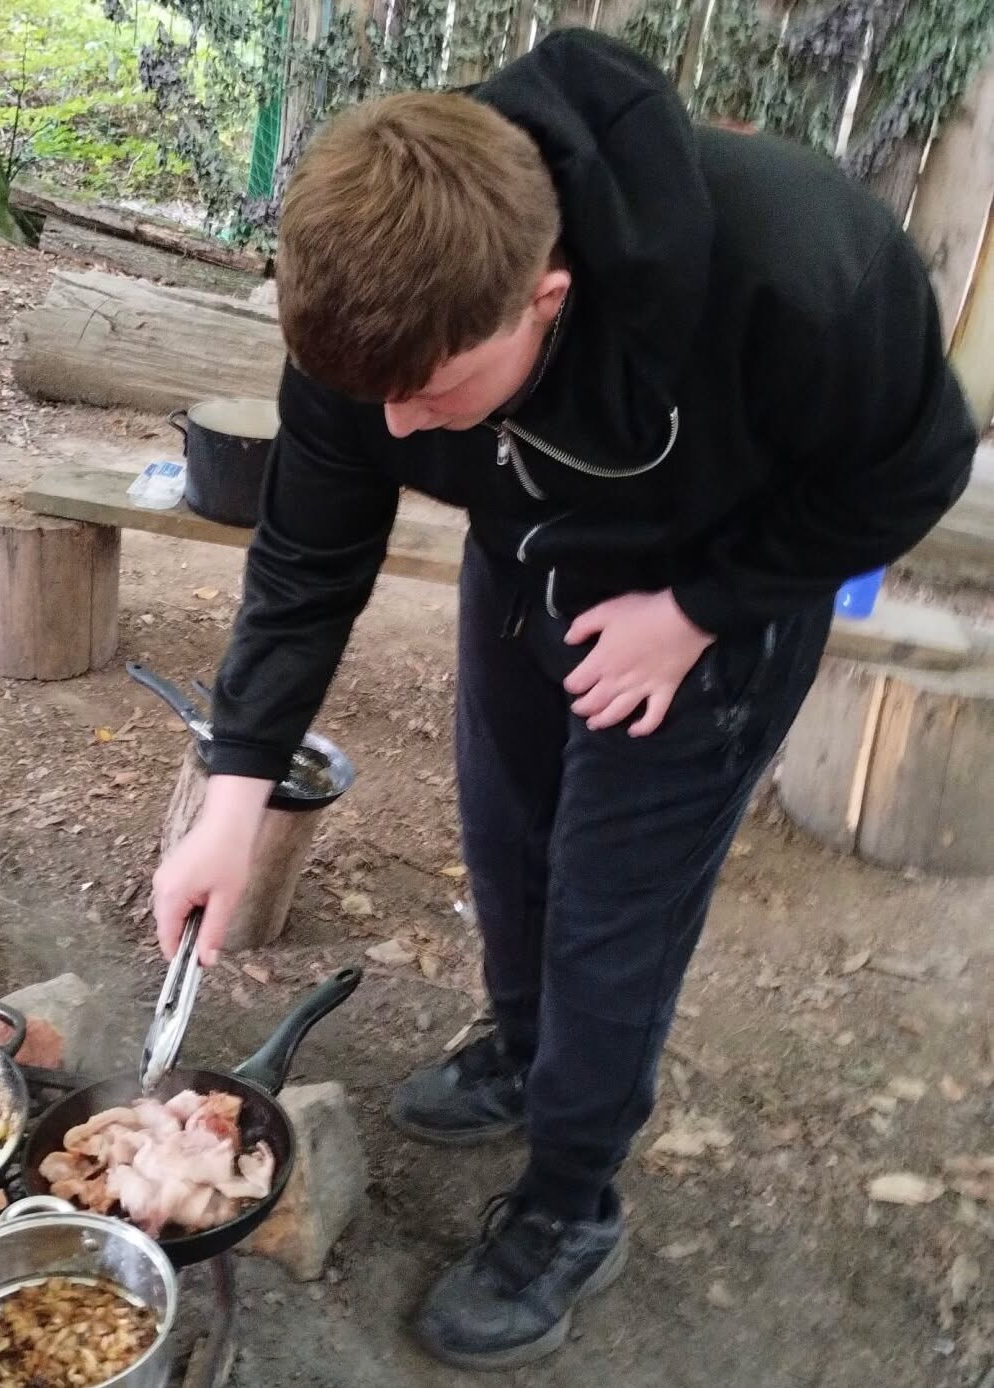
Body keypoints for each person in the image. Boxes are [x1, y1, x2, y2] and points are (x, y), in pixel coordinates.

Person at [151, 27, 976, 1371]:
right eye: (378, 402)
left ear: (547, 295)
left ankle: (571, 1201)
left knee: (612, 912)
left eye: (431, 397)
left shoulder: (794, 268)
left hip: (714, 598)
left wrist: (699, 611)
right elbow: (309, 557)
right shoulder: (371, 308)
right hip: (534, 565)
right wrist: (235, 793)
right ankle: (525, 1053)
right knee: (511, 838)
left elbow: (914, 469)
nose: (401, 434)